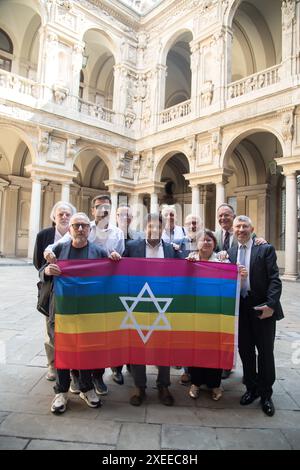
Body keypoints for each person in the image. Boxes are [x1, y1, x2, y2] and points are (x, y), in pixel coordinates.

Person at [43, 194, 124, 394]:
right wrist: (46, 269)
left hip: (90, 309)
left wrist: (114, 259)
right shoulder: (60, 247)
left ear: (89, 229)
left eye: (83, 226)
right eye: (76, 226)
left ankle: (91, 382)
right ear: (69, 229)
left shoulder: (98, 250)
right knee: (65, 345)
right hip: (64, 308)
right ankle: (66, 385)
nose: (80, 229)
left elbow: (111, 272)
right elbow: (45, 264)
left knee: (91, 344)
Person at [228, 215, 283, 417]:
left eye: (245, 226)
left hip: (262, 308)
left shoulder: (264, 249)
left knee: (265, 351)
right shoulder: (231, 252)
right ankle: (251, 388)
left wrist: (270, 305)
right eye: (238, 226)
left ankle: (266, 394)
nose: (241, 230)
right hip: (240, 308)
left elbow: (275, 280)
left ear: (252, 229)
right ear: (233, 230)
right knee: (246, 350)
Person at [123, 213, 181, 407]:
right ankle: (140, 387)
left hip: (163, 306)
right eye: (150, 226)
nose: (153, 230)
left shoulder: (172, 250)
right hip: (138, 305)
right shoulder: (131, 247)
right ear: (145, 227)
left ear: (163, 228)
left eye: (157, 226)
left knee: (164, 346)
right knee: (138, 346)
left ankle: (163, 385)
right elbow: (120, 273)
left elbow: (184, 271)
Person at [215, 203, 267, 379]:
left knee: (258, 346)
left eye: (227, 215)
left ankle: (258, 383)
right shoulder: (219, 241)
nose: (223, 218)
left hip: (255, 301)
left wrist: (261, 239)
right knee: (237, 341)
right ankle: (239, 375)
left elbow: (273, 278)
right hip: (232, 299)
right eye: (220, 215)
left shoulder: (257, 242)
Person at [33, 201, 76, 381]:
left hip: (72, 288)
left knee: (72, 328)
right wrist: (48, 270)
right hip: (50, 288)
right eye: (61, 214)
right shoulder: (44, 235)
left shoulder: (77, 232)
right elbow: (38, 262)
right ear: (54, 217)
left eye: (67, 214)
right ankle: (52, 365)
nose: (64, 217)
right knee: (51, 327)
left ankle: (71, 363)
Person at [186, 229, 226, 401]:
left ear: (215, 244)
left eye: (210, 240)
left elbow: (231, 284)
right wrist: (187, 266)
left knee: (214, 348)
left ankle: (215, 384)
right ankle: (195, 382)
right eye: (203, 240)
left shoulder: (222, 260)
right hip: (194, 312)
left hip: (216, 312)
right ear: (197, 243)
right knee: (196, 346)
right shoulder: (189, 260)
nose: (206, 243)